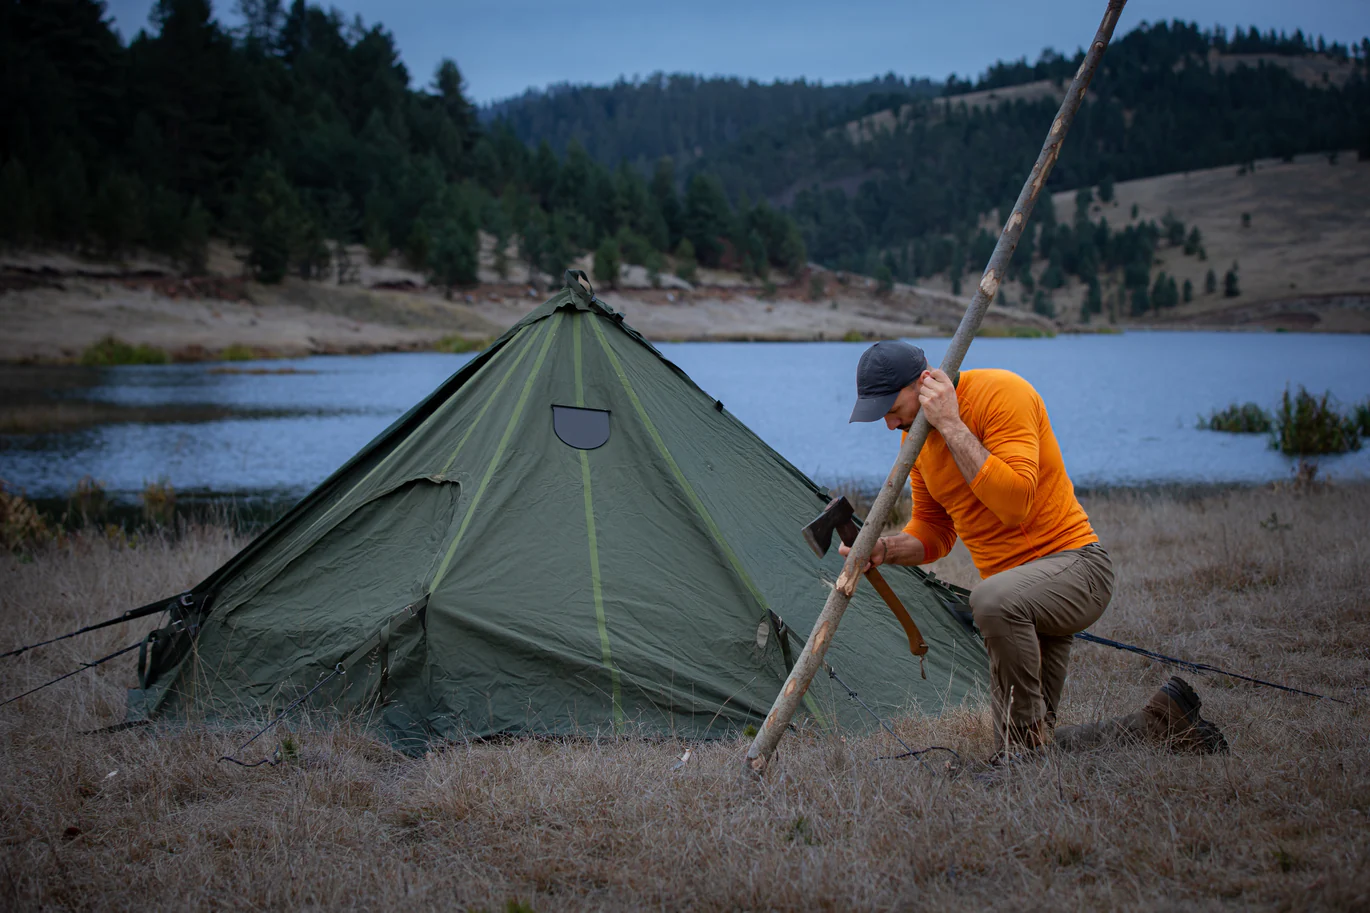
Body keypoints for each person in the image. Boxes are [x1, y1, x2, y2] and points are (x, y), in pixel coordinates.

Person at [842, 340, 1227, 760]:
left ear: (925, 382)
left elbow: (1014, 504)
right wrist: (885, 548)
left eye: (890, 406)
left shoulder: (1001, 393)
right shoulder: (913, 443)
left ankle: (1018, 760)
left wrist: (952, 426)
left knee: (989, 602)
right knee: (1029, 748)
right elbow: (934, 531)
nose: (887, 423)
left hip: (1076, 568)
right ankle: (1162, 723)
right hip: (1017, 598)